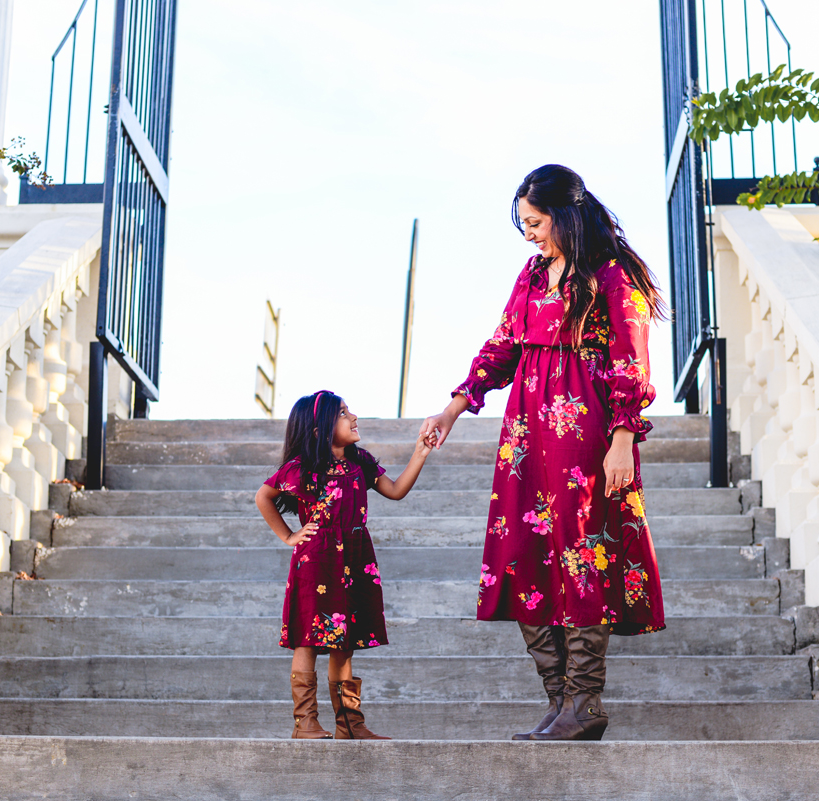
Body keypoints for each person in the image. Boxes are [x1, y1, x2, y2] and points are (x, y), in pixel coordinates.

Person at [420, 164, 668, 742]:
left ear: (565, 214)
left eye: (534, 222)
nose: (528, 233)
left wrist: (624, 439)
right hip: (526, 436)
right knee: (524, 554)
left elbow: (631, 359)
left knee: (582, 556)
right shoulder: (532, 276)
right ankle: (560, 703)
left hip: (587, 430)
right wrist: (453, 408)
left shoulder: (610, 275)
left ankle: (585, 701)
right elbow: (505, 344)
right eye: (523, 224)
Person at [255, 391, 434, 740]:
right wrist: (290, 536)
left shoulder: (360, 462)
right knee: (307, 640)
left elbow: (396, 490)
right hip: (317, 559)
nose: (353, 417)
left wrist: (420, 453)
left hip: (354, 557)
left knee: (345, 643)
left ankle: (350, 724)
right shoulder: (301, 469)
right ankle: (305, 722)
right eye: (343, 413)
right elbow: (264, 496)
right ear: (320, 429)